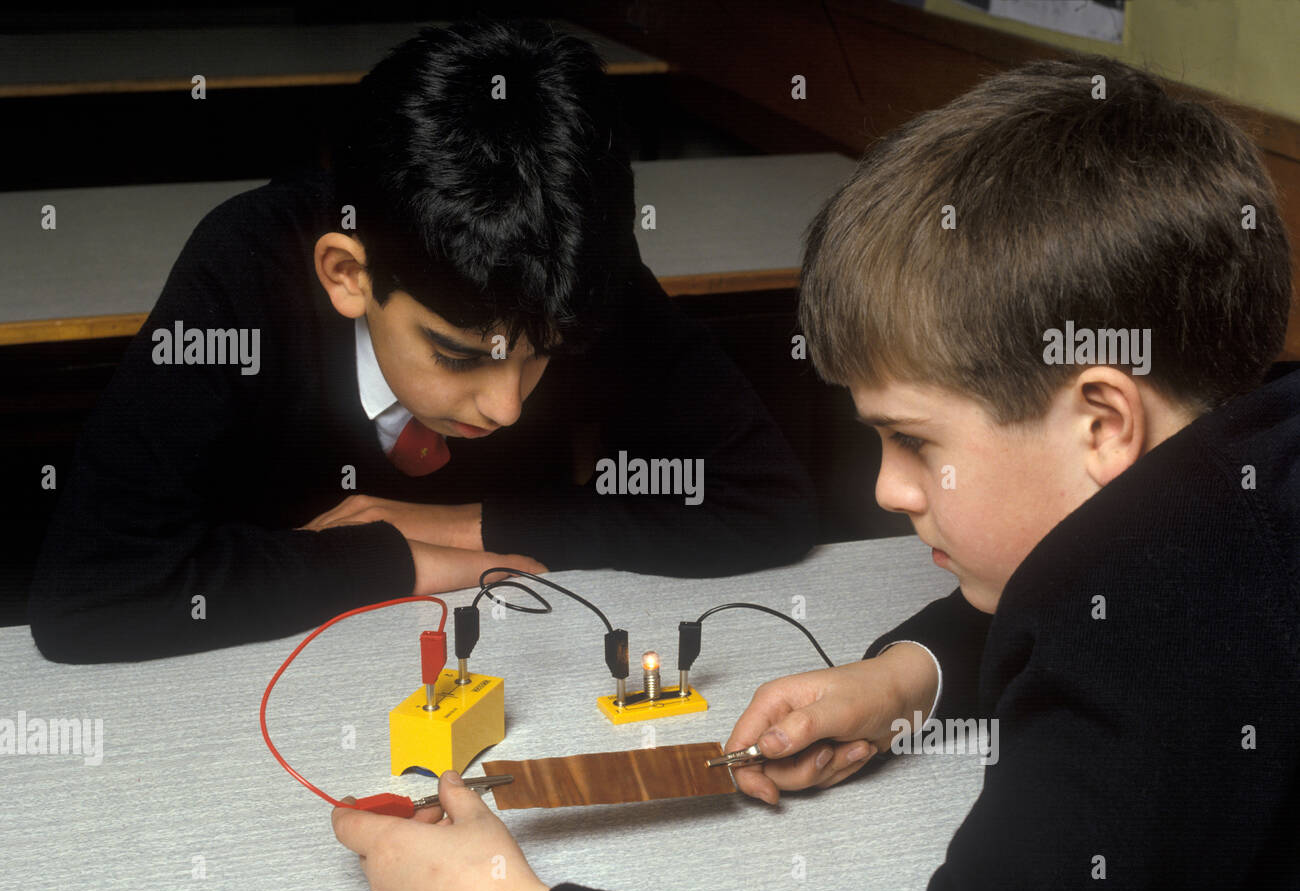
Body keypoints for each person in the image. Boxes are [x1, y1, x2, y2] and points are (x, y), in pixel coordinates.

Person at [331, 56, 1299, 891]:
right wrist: (905, 681)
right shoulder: (1250, 470)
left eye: (914, 442)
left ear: (1101, 423)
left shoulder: (1154, 634)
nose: (884, 490)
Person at [27, 20, 815, 663]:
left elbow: (767, 502)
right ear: (347, 276)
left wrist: (473, 524)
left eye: (544, 354)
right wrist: (393, 559)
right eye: (458, 354)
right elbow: (91, 594)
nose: (507, 406)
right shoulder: (243, 272)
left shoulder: (569, 272)